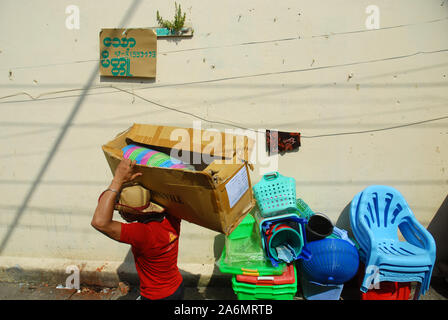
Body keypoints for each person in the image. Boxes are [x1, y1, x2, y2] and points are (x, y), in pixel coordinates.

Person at [91, 158, 184, 300]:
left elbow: (100, 222)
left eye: (122, 210)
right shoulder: (172, 217)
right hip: (177, 287)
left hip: (155, 296)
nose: (120, 214)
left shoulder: (142, 233)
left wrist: (118, 179)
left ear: (132, 213)